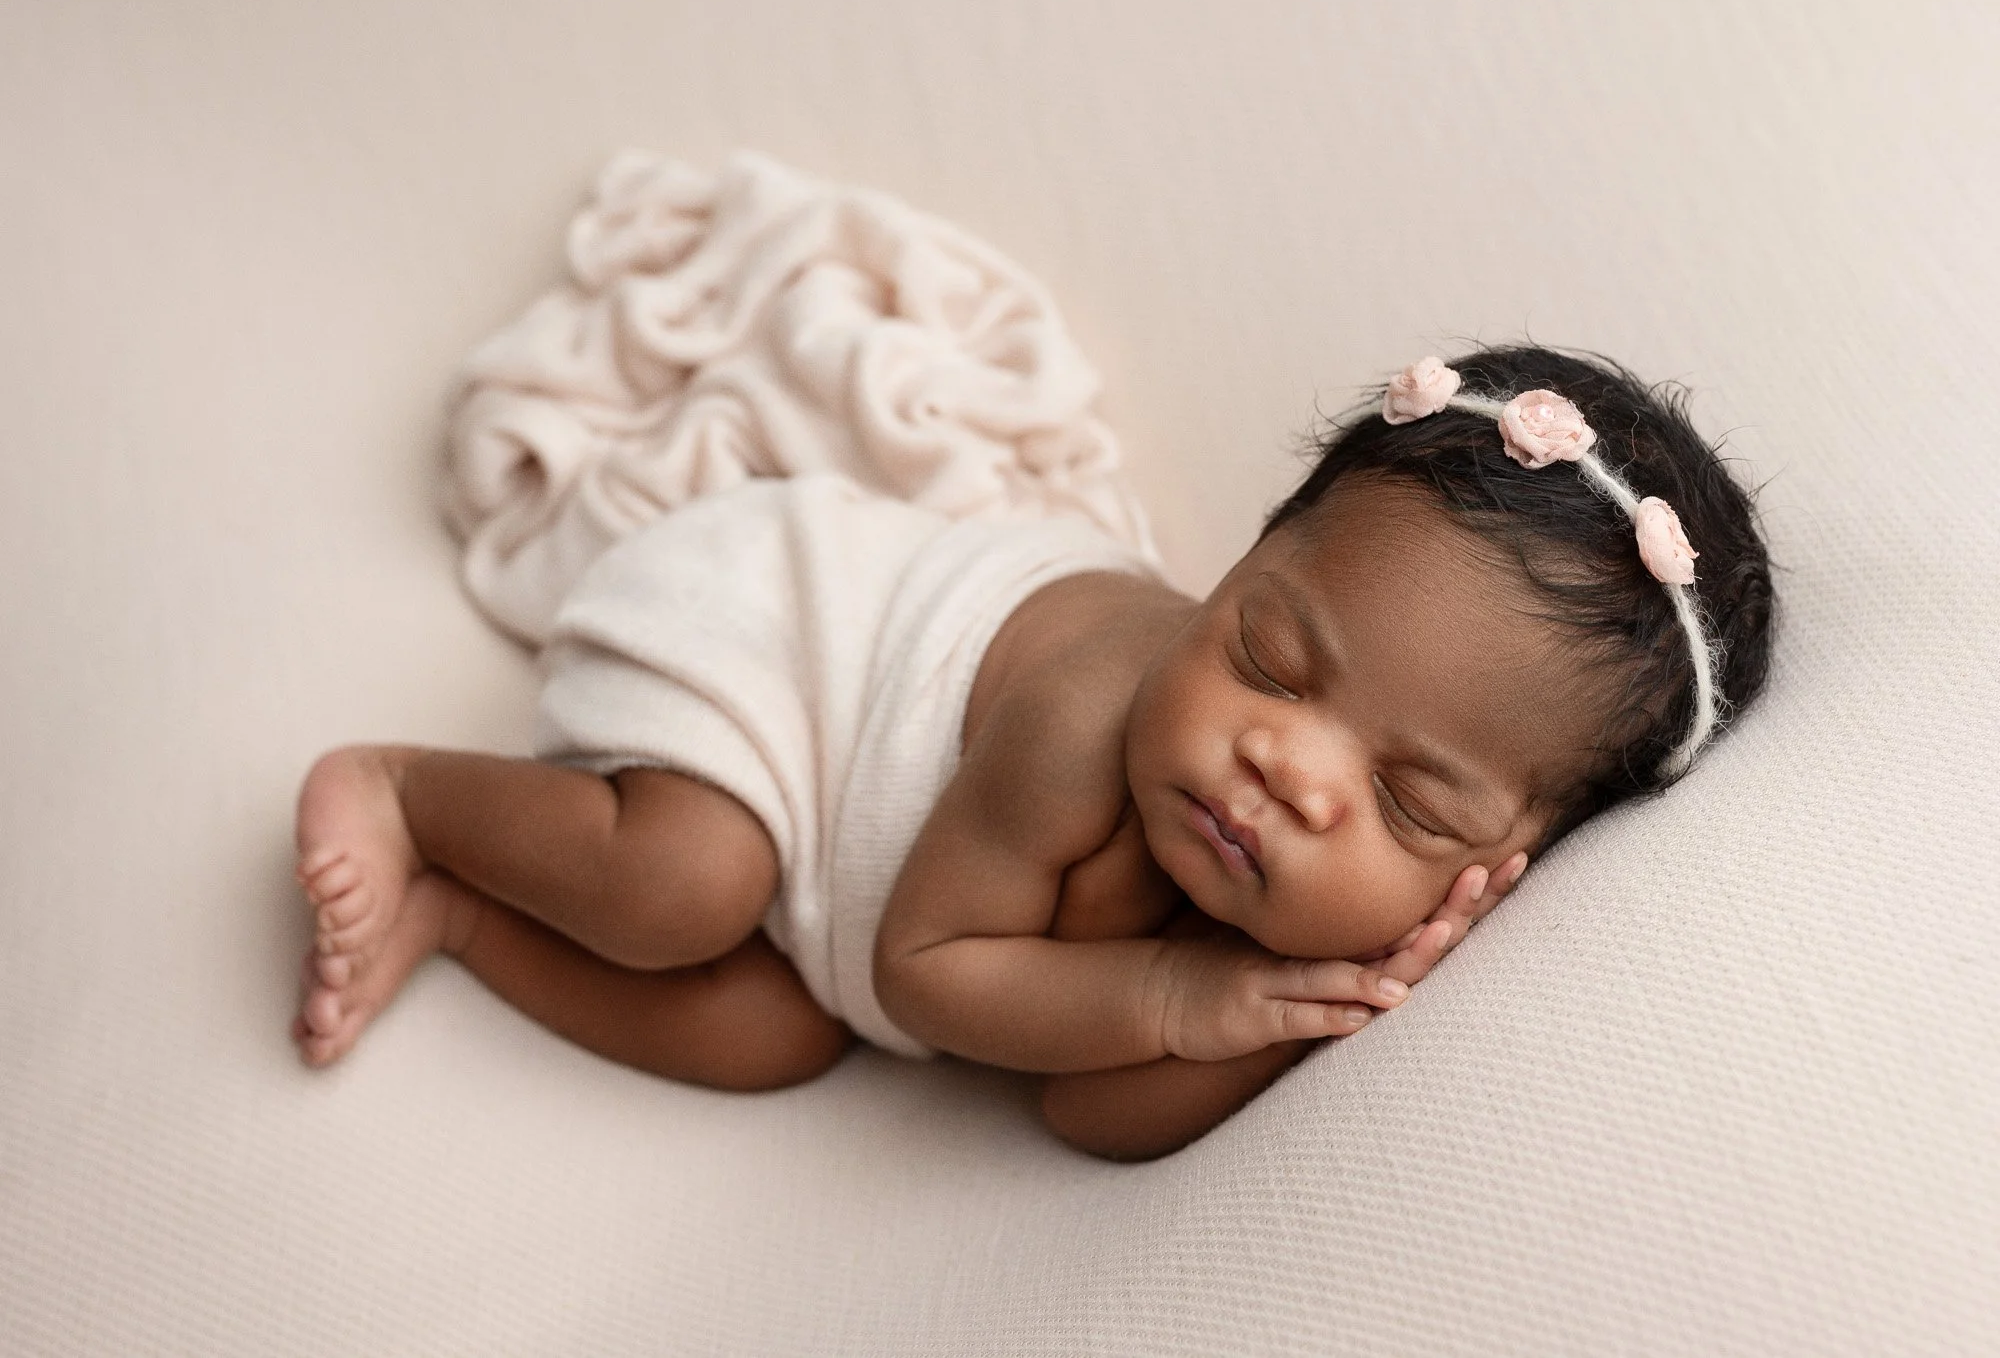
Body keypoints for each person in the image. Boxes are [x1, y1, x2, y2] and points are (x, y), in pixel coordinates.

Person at [290, 345, 1774, 1161]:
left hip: (861, 932)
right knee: (685, 881)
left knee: (772, 1041)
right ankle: (411, 788)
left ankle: (465, 911)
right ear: (1243, 564)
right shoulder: (1097, 712)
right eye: (1269, 653)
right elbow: (921, 974)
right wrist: (1181, 990)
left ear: (1494, 870)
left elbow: (1088, 1112)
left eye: (1407, 799)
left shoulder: (1276, 886)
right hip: (783, 651)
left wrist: (1285, 1011)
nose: (1287, 766)